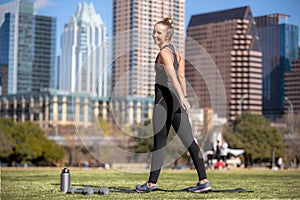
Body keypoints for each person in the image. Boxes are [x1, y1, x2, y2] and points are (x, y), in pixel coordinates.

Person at [135, 16, 211, 193]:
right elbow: (182, 77)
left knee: (159, 142)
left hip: (164, 101)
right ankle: (204, 181)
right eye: (154, 31)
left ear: (167, 35)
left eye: (158, 33)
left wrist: (183, 99)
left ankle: (151, 184)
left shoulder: (164, 53)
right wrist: (183, 97)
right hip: (176, 101)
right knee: (190, 141)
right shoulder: (177, 52)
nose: (154, 35)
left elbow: (171, 73)